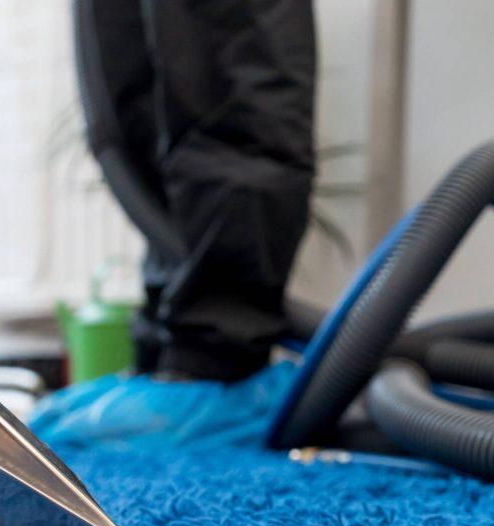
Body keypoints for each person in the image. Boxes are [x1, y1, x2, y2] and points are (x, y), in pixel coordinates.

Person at [74, 0, 317, 382]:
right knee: (123, 59)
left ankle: (214, 362)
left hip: (219, 351)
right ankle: (164, 347)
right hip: (165, 326)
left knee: (222, 44)